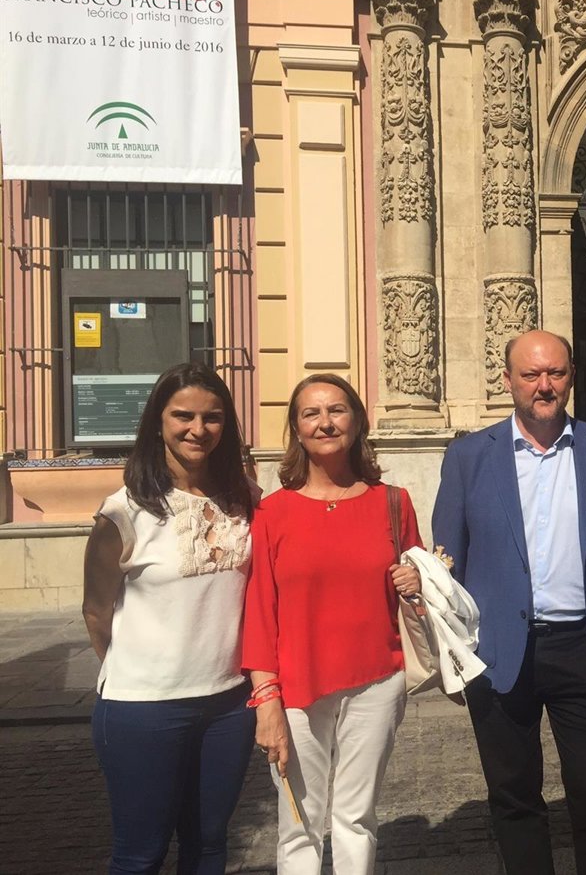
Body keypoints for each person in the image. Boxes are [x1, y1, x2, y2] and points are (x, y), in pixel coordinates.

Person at [432, 329, 586, 875]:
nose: (544, 386)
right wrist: (455, 656)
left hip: (585, 649)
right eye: (531, 374)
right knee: (514, 795)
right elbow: (447, 565)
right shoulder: (469, 457)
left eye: (556, 373)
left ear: (571, 377)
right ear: (508, 380)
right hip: (499, 650)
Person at [242, 373, 423, 875]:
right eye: (311, 413)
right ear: (297, 430)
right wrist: (265, 699)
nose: (325, 422)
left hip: (377, 679)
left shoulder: (393, 502)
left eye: (337, 410)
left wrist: (416, 583)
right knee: (299, 822)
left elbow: (420, 593)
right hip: (297, 688)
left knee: (356, 817)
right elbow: (259, 611)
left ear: (357, 421)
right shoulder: (271, 513)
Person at [83, 362, 257, 875]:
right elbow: (96, 610)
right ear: (157, 422)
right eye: (183, 415)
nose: (197, 429)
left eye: (212, 417)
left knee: (209, 847)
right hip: (144, 709)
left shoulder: (246, 500)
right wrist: (142, 670)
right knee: (141, 855)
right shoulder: (124, 511)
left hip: (229, 704)